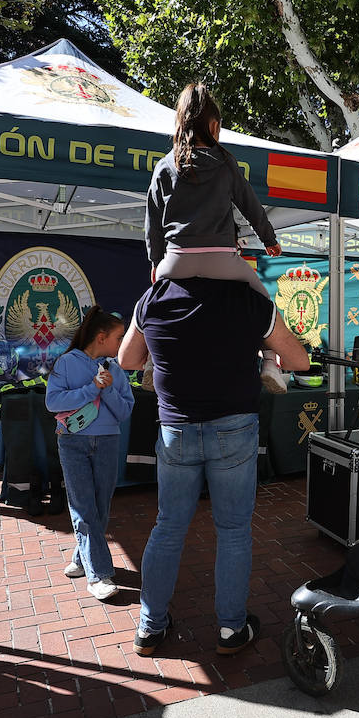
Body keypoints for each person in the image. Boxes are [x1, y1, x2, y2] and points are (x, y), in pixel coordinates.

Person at [118, 276, 308, 657]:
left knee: (168, 528)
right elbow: (301, 360)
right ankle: (231, 629)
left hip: (176, 428)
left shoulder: (154, 295)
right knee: (234, 530)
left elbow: (126, 359)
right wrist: (263, 352)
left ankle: (150, 627)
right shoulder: (250, 299)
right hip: (234, 426)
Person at [145, 83, 286, 393]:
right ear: (213, 126)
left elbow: (153, 223)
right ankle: (270, 363)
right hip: (222, 260)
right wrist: (269, 239)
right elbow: (250, 203)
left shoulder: (164, 166)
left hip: (176, 260)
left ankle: (150, 362)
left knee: (153, 304)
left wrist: (157, 263)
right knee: (264, 303)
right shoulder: (225, 162)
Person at [45, 308, 134, 602]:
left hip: (108, 442)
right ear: (101, 337)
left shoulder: (115, 368)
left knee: (99, 506)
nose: (121, 343)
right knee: (83, 508)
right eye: (119, 337)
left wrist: (106, 390)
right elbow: (53, 402)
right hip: (73, 442)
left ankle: (83, 558)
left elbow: (124, 411)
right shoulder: (67, 363)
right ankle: (99, 576)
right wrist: (91, 388)